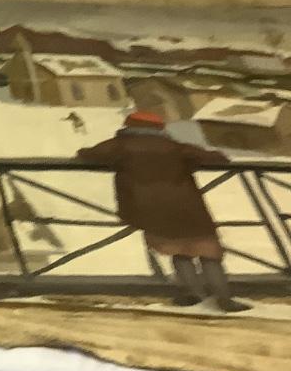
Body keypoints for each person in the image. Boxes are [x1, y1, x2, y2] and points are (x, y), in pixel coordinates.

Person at [77, 111, 250, 312]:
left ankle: (193, 294)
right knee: (207, 252)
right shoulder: (174, 147)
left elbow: (89, 154)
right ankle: (224, 298)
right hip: (187, 205)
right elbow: (216, 158)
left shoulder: (120, 145)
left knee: (179, 251)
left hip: (150, 209)